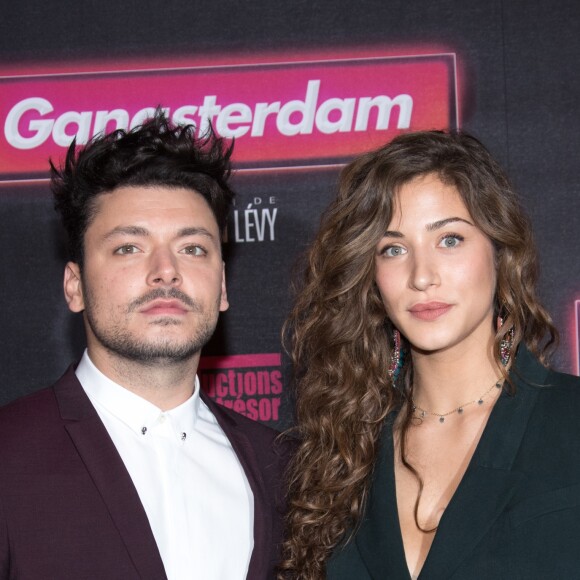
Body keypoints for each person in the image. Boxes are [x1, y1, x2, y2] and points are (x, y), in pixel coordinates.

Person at [0, 111, 290, 580]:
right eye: (128, 248)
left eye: (193, 248)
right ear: (74, 286)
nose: (166, 271)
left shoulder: (284, 468)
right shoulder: (7, 458)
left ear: (221, 287)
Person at [278, 130, 580, 579]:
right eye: (394, 249)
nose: (422, 276)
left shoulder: (569, 420)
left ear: (499, 252)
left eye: (450, 240)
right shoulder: (340, 452)